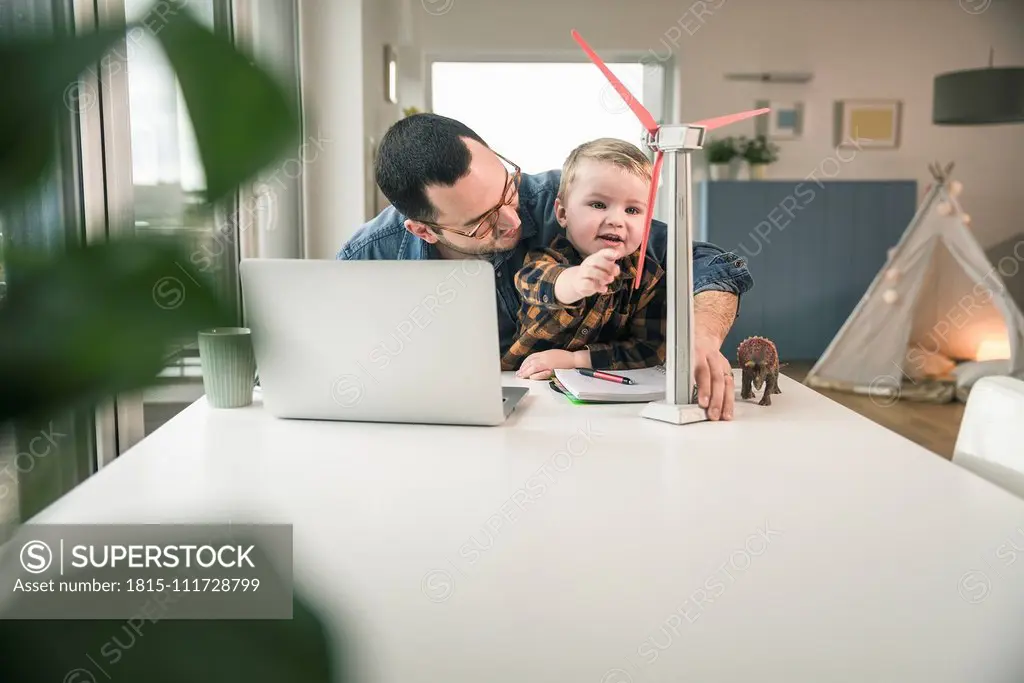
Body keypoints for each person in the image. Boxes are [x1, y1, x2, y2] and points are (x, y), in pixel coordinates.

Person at [336, 113, 753, 421]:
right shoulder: (371, 254)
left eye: (506, 188)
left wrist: (700, 336)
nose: (513, 220)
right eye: (482, 223)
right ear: (424, 231)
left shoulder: (571, 199)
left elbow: (711, 263)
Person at [502, 138, 664, 380]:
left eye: (632, 210)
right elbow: (533, 281)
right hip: (525, 380)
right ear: (563, 213)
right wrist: (576, 281)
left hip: (600, 385)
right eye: (598, 204)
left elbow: (648, 350)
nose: (617, 220)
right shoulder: (546, 258)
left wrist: (574, 360)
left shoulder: (647, 276)